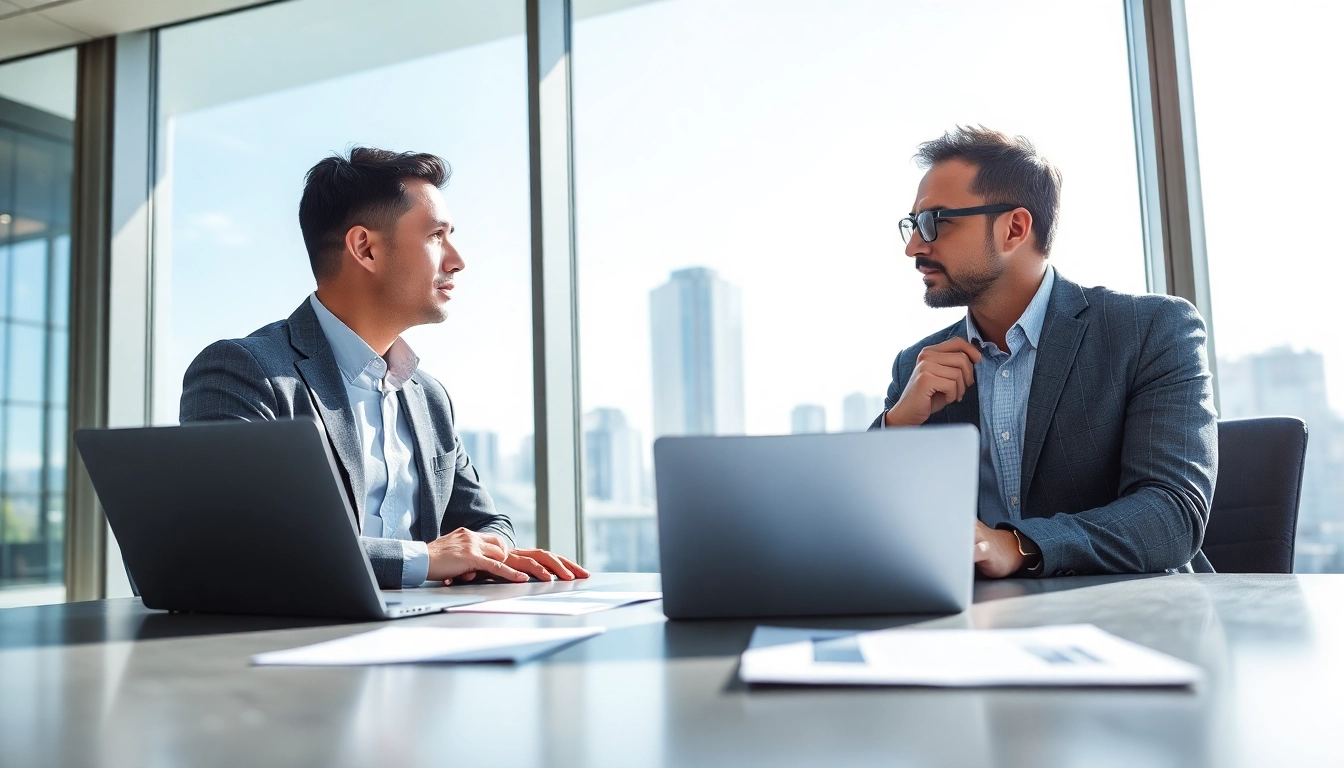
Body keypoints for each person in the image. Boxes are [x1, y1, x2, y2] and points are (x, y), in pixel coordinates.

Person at [180, 147, 588, 589]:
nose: (457, 259)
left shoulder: (428, 395)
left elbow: (488, 522)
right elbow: (237, 542)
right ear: (365, 249)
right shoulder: (246, 372)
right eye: (436, 235)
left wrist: (479, 553)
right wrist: (423, 559)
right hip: (293, 646)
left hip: (429, 637)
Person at [873, 126, 1217, 578]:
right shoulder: (916, 367)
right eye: (913, 224)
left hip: (1132, 619)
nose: (913, 246)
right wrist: (897, 426)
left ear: (1014, 228)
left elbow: (1171, 514)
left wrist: (1016, 546)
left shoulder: (1152, 330)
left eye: (935, 221)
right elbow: (869, 528)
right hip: (971, 625)